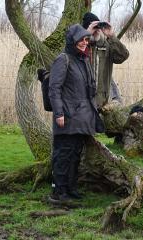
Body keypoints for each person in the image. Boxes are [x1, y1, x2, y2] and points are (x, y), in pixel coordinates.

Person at [48, 24, 99, 203]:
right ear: (72, 40)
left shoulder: (83, 60)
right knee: (63, 155)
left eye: (86, 39)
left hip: (82, 118)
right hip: (67, 117)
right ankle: (58, 192)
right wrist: (59, 113)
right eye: (81, 40)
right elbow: (54, 89)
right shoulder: (63, 59)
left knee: (75, 155)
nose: (84, 43)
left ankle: (70, 188)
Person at [82, 12, 130, 108]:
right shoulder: (80, 45)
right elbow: (70, 58)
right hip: (82, 102)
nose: (97, 31)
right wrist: (86, 35)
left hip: (101, 103)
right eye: (94, 27)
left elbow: (123, 56)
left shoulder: (106, 45)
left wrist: (112, 37)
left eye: (98, 27)